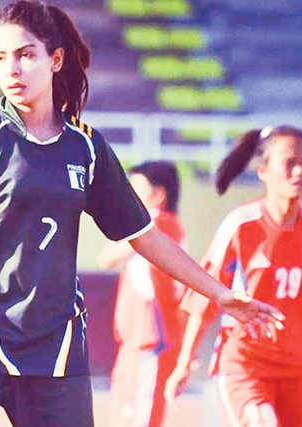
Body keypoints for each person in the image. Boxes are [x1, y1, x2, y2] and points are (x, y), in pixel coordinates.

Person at [0, 2, 283, 427]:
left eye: (25, 55)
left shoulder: (86, 147)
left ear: (56, 59)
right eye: (0, 58)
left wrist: (219, 294)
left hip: (56, 347)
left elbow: (145, 236)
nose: (12, 70)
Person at [164, 126, 302, 427]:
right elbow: (204, 296)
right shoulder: (241, 226)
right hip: (244, 363)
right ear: (263, 171)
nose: (299, 171)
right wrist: (183, 363)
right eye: (289, 162)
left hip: (299, 368)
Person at [99, 161, 188, 427]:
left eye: (136, 187)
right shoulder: (157, 225)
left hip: (151, 340)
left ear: (159, 194)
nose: (128, 193)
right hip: (135, 342)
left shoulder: (157, 223)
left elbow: (107, 258)